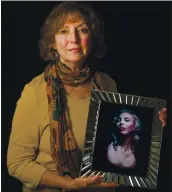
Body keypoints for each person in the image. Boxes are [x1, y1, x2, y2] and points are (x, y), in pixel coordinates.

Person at [7, 2, 167, 192]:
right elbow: (17, 163)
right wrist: (68, 184)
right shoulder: (34, 92)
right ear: (52, 43)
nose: (73, 39)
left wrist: (150, 127)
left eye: (81, 30)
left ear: (91, 38)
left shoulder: (107, 84)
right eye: (63, 31)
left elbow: (117, 144)